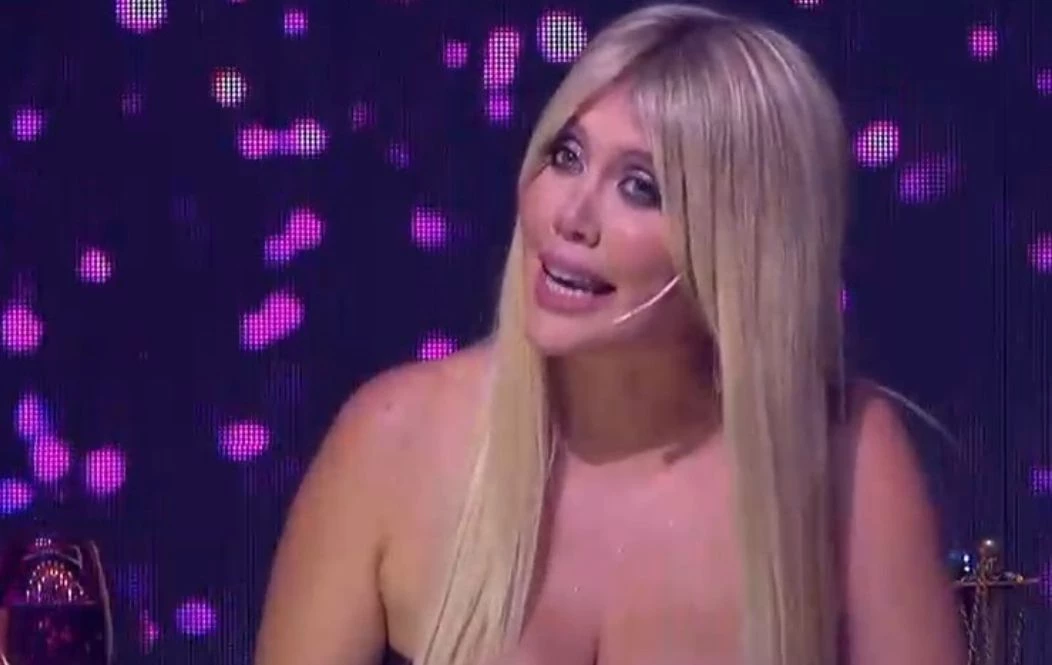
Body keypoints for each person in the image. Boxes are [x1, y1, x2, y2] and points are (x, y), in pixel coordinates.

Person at [253, 4, 966, 665]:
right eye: (567, 156)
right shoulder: (395, 436)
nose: (570, 215)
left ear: (741, 245)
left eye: (640, 187)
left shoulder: (847, 457)